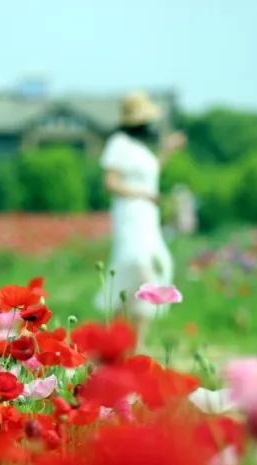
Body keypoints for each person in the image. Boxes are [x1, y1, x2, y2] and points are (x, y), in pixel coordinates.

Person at [94, 90, 186, 339]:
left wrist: (168, 150)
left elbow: (152, 171)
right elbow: (111, 183)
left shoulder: (139, 148)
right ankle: (116, 336)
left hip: (147, 218)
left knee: (156, 267)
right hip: (130, 214)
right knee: (137, 265)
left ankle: (133, 340)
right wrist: (143, 194)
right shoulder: (118, 144)